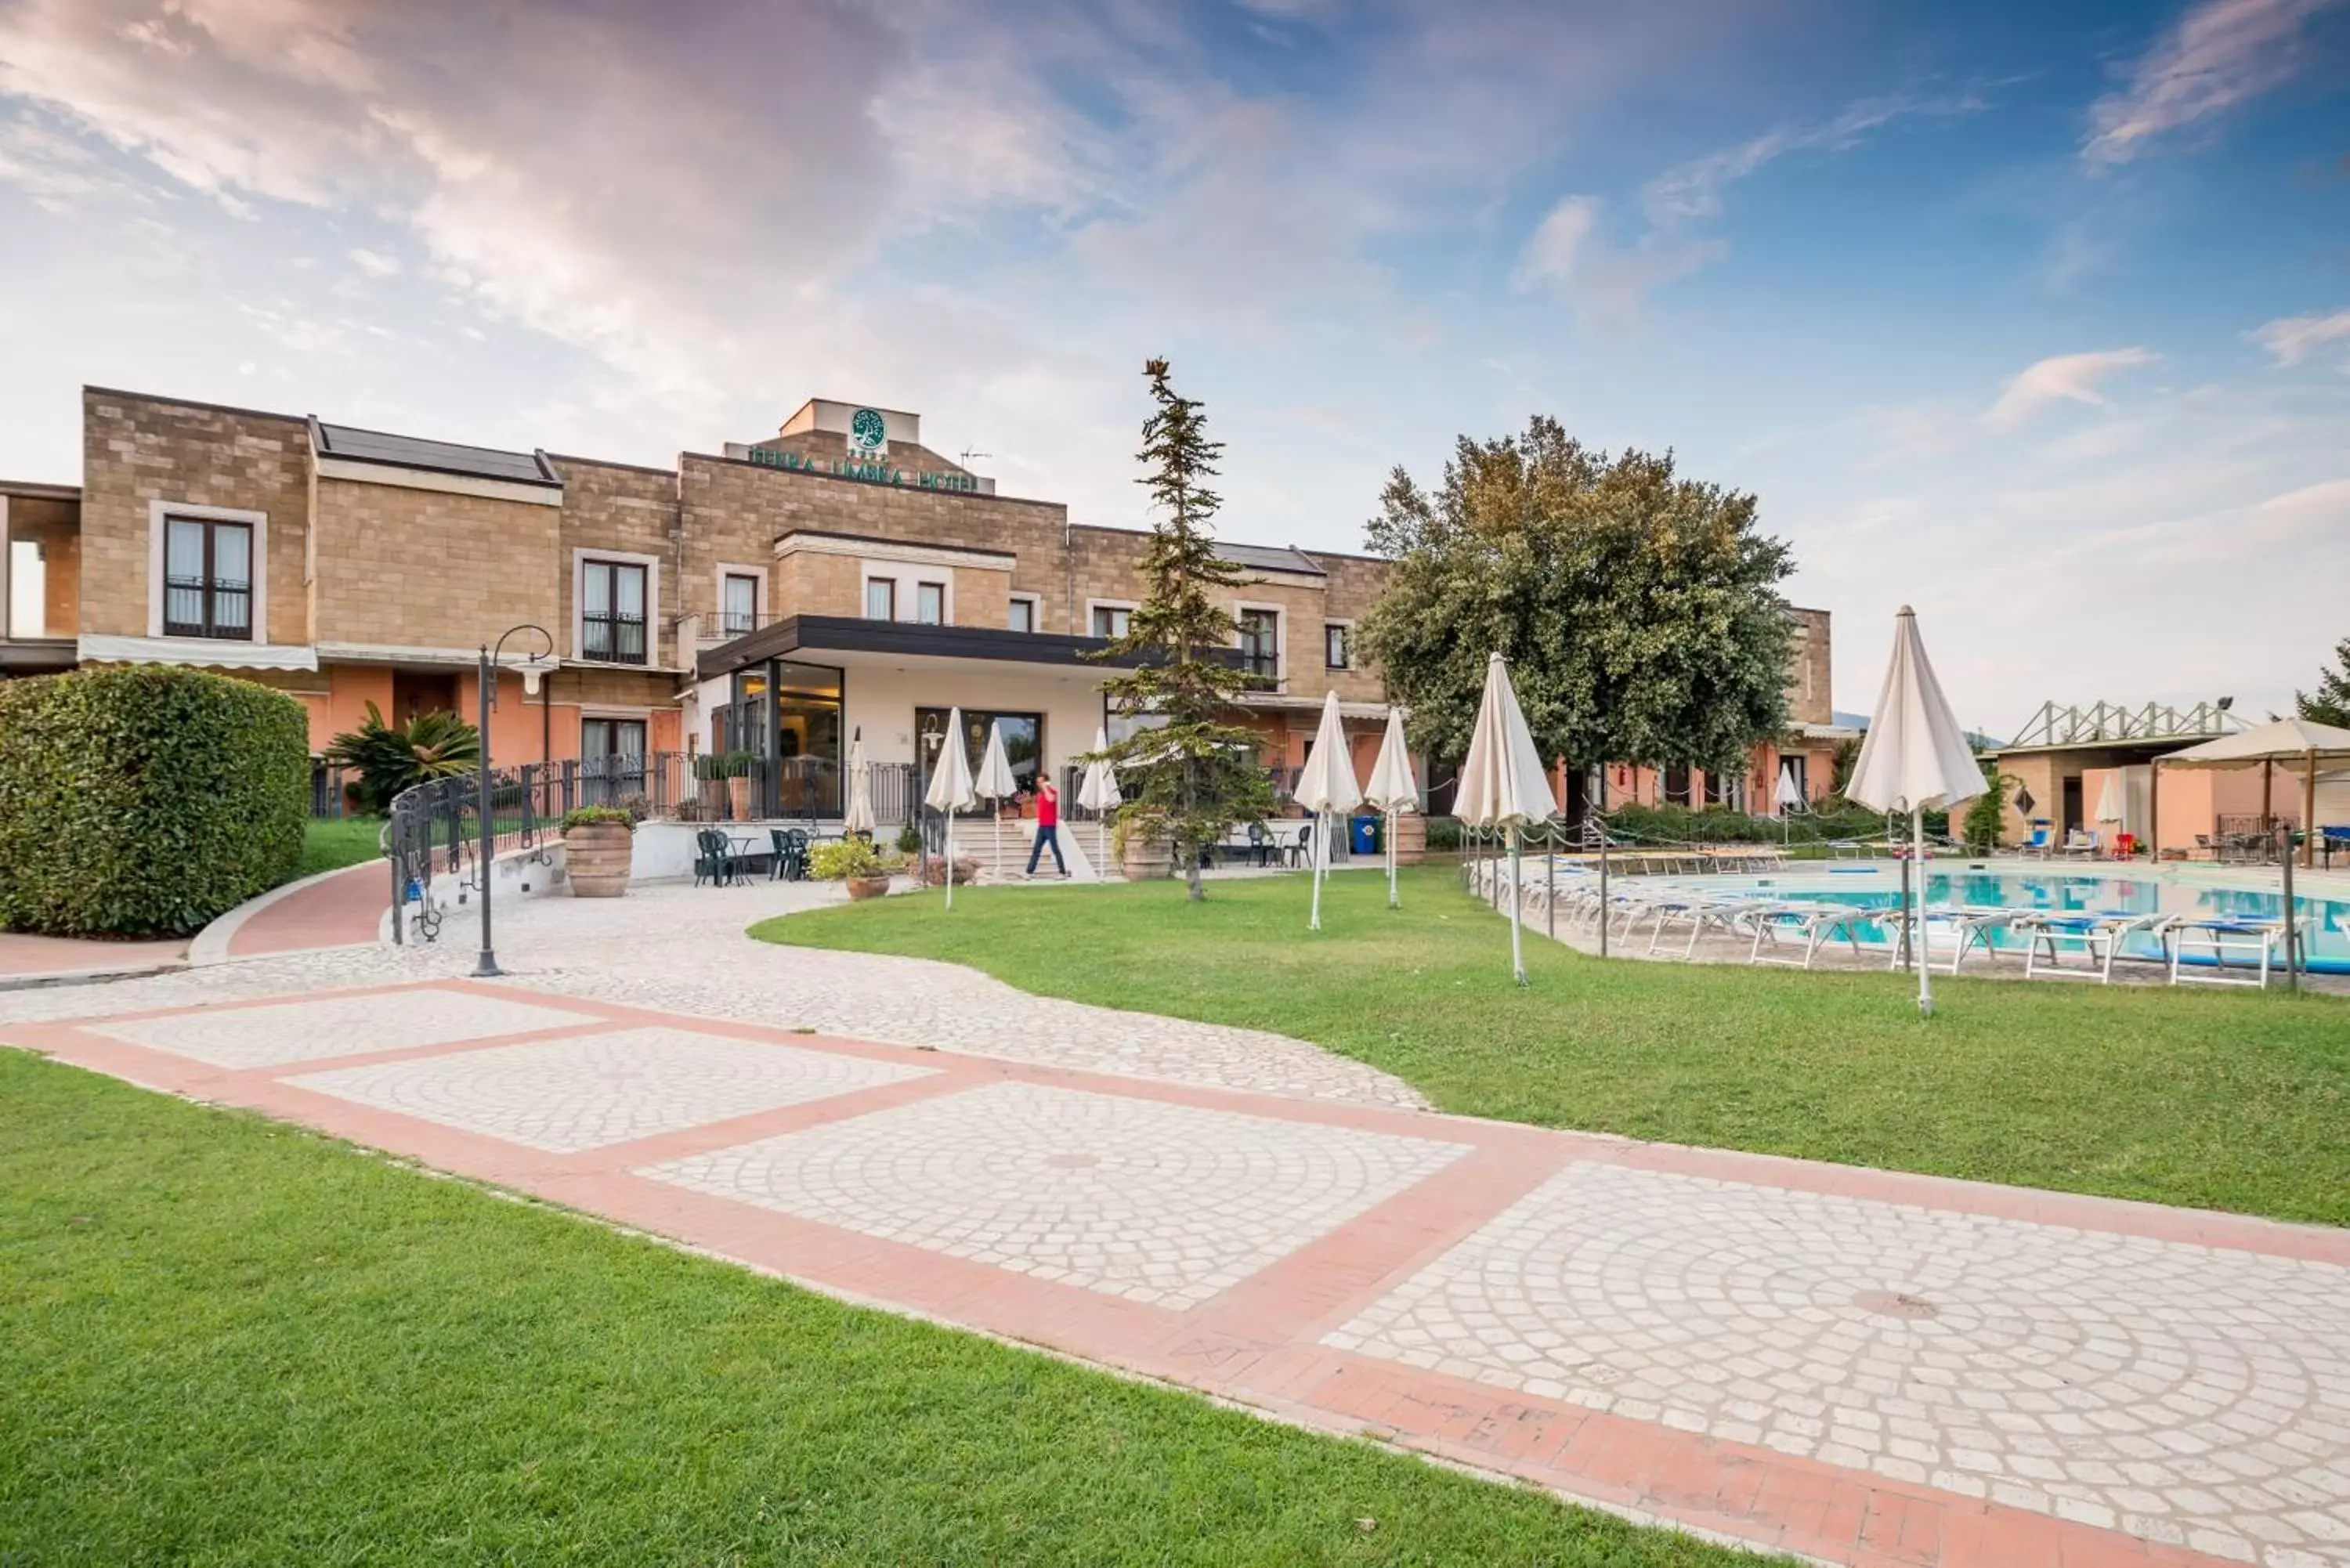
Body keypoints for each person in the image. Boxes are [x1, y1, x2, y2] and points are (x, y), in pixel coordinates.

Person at [1025, 775, 1068, 877]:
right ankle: (1029, 872)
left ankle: (1062, 872)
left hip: (1050, 825)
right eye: (1038, 782)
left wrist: (1046, 787)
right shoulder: (1040, 795)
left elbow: (1051, 799)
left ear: (1046, 782)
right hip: (1042, 826)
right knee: (1036, 849)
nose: (1039, 784)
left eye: (1041, 782)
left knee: (1055, 849)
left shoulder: (1052, 792)